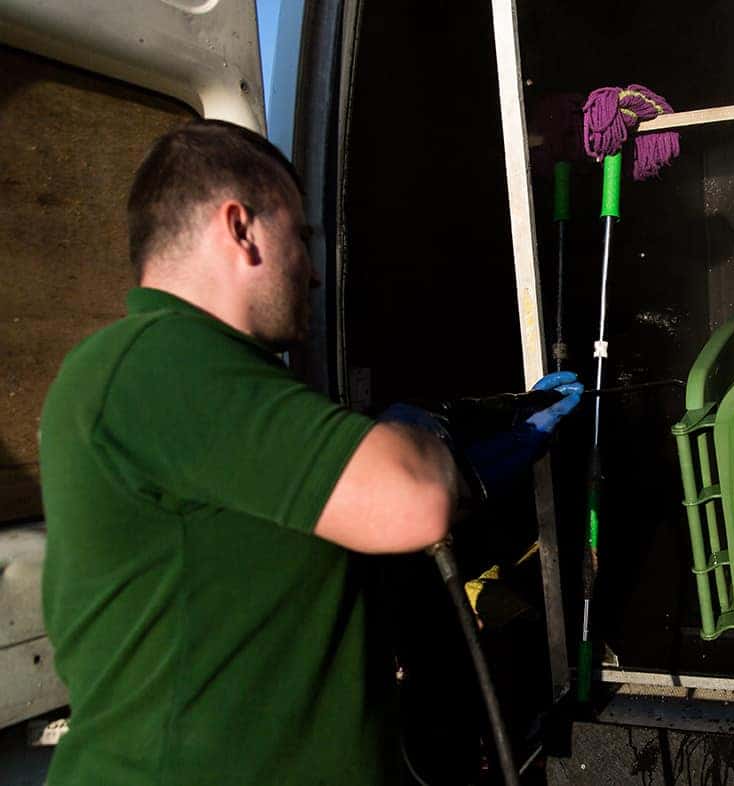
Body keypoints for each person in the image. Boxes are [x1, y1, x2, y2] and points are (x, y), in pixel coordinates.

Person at [38, 119, 580, 786]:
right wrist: (434, 446)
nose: (315, 272)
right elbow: (410, 502)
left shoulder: (228, 383)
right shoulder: (152, 358)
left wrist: (455, 449)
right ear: (239, 228)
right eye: (300, 237)